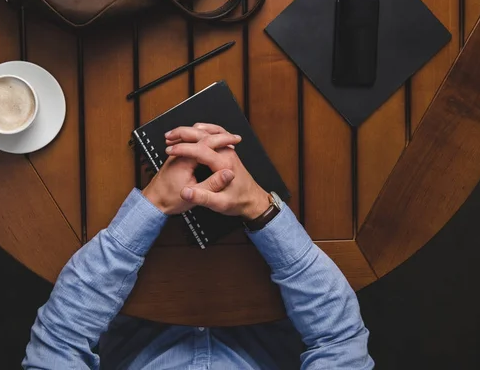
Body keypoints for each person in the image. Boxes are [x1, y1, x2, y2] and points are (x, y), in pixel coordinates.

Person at [22, 123, 374, 369]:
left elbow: (58, 344)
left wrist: (153, 204)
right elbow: (339, 344)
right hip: (269, 310)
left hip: (132, 310)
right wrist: (257, 206)